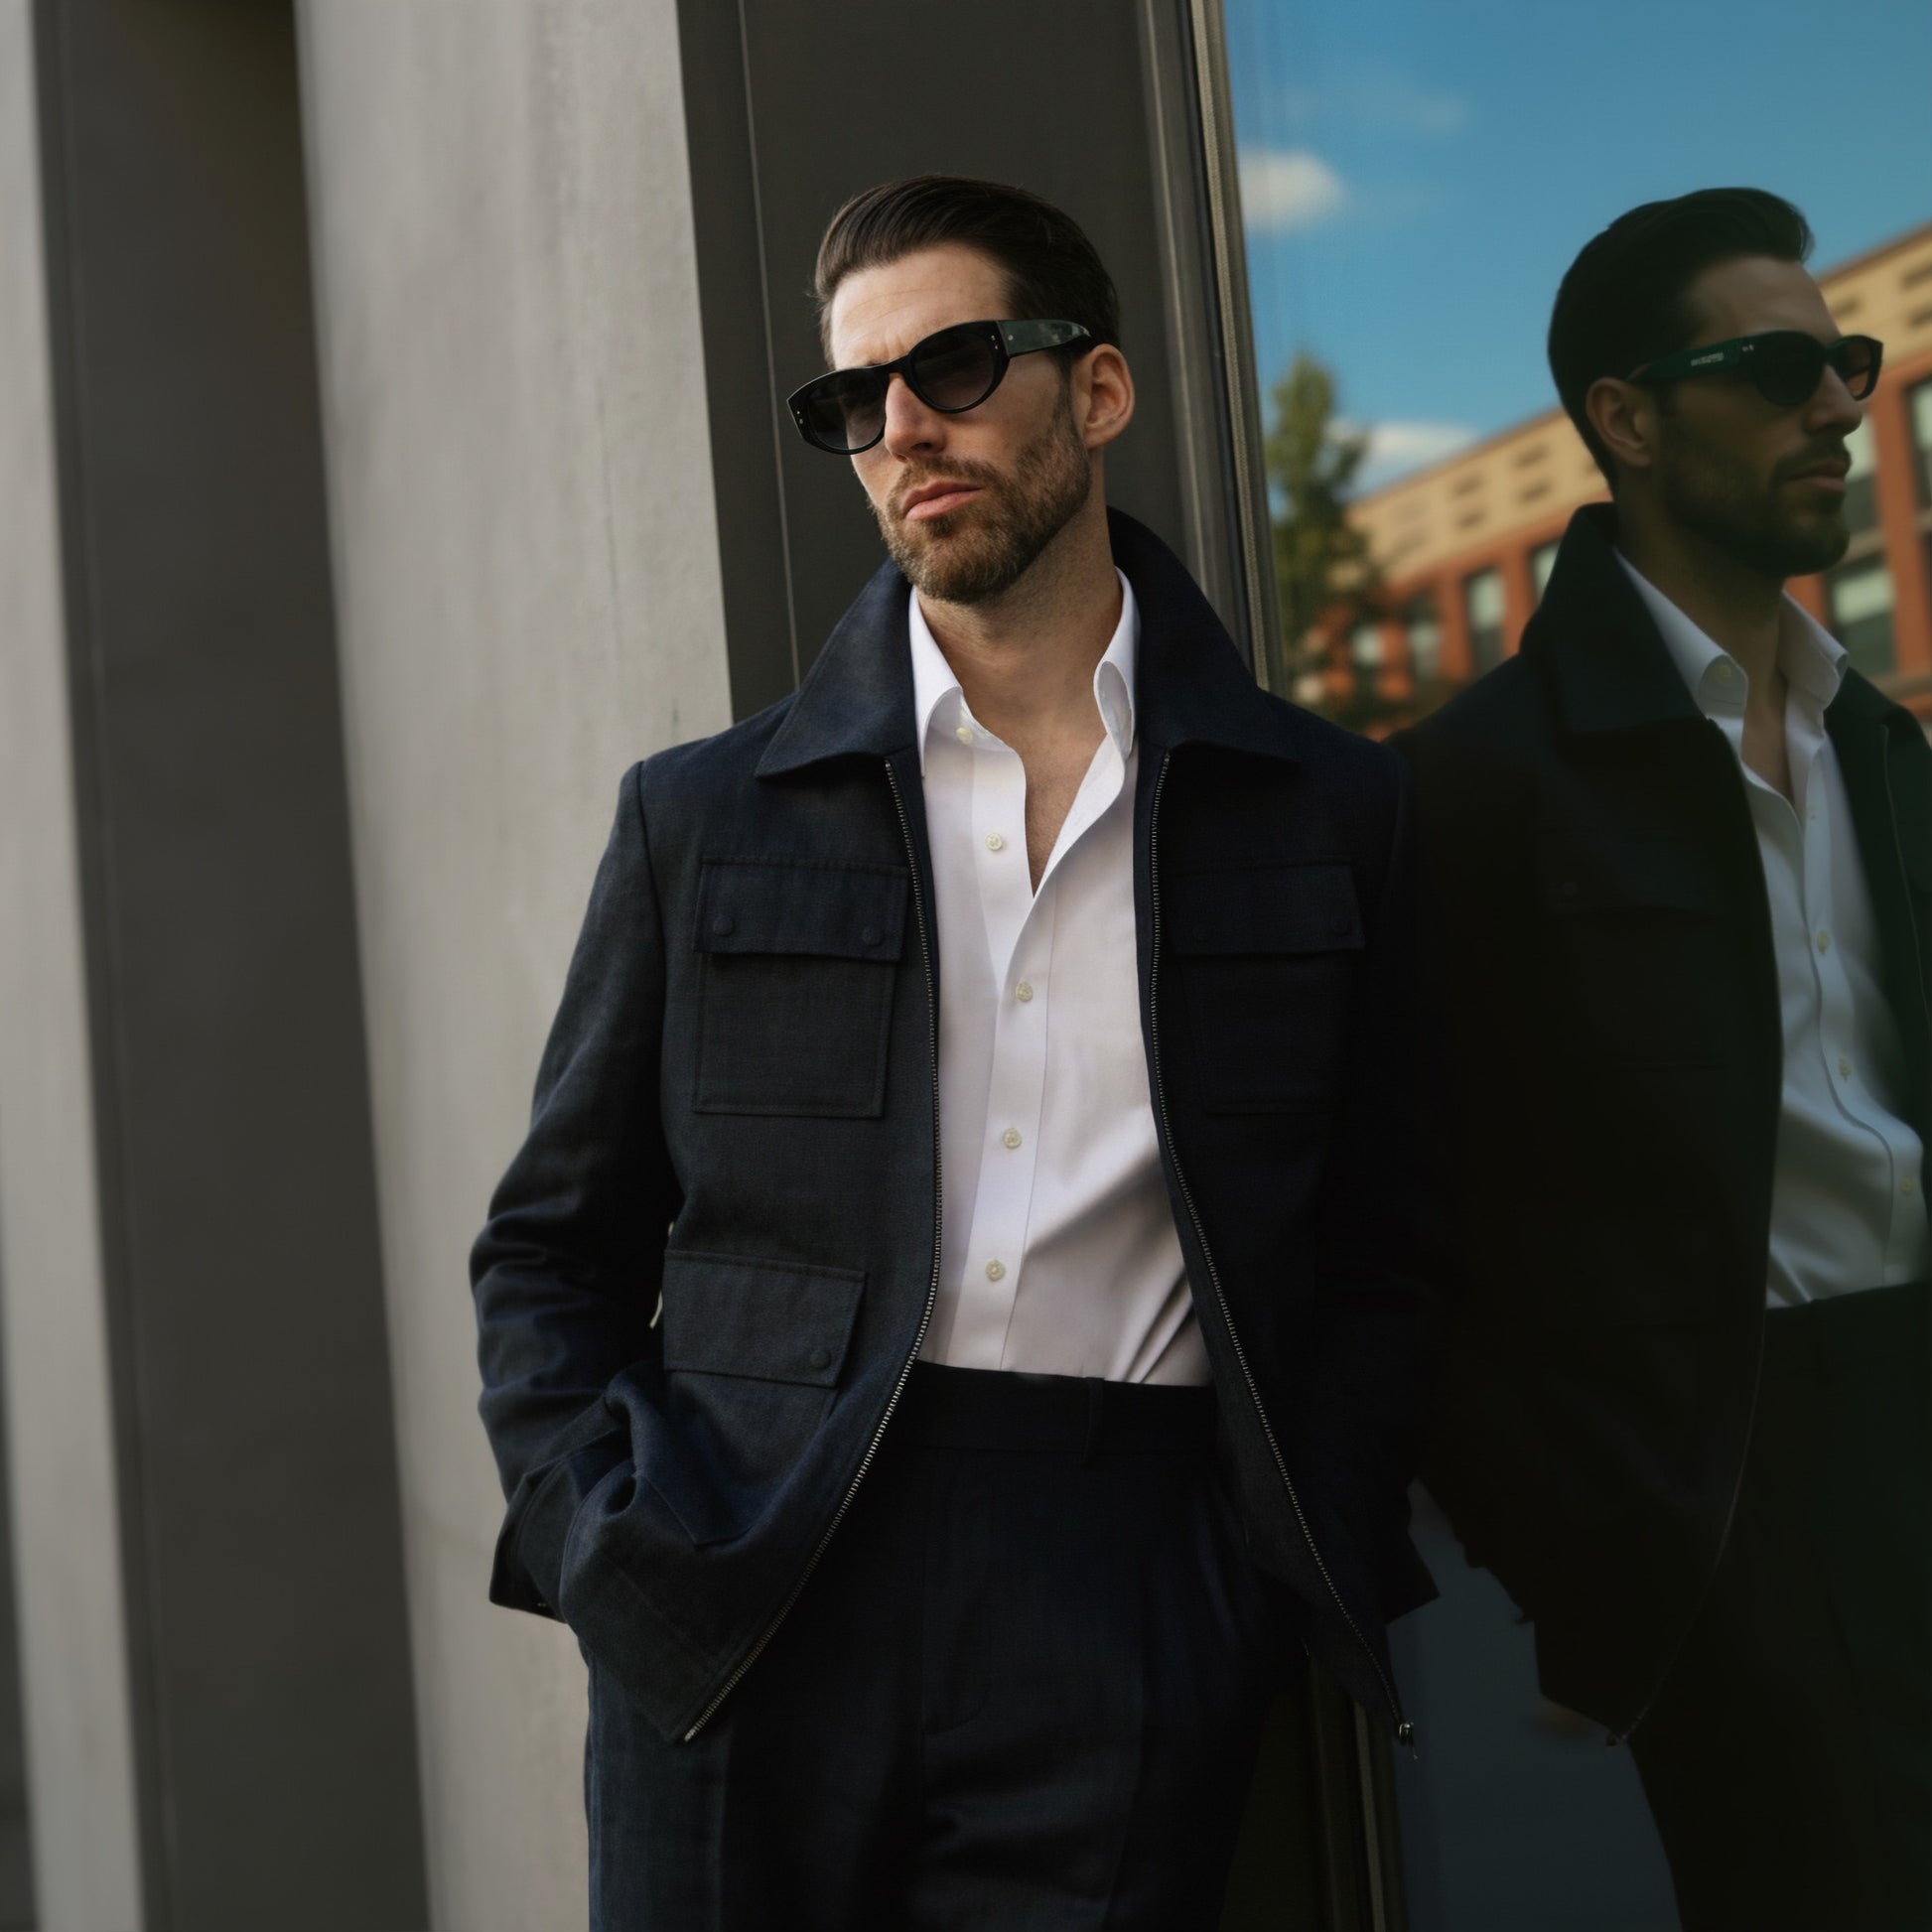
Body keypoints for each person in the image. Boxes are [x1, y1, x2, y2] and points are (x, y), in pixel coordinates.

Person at [471, 174, 1434, 1929]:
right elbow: (550, 1244)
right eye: (857, 398)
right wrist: (606, 1541)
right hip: (740, 1578)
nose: (903, 426)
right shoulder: (702, 816)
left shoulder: (1327, 811)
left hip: (1126, 1586)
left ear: (1100, 388)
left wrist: (1251, 1587)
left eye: (957, 364)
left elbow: (1384, 1246)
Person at [1396, 188, 1930, 1932]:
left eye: (1847, 365)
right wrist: (1589, 1546)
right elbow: (1411, 1222)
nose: (1834, 407)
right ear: (1624, 418)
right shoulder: (1476, 787)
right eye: (1776, 369)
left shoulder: (1883, 748)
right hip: (1729, 1497)